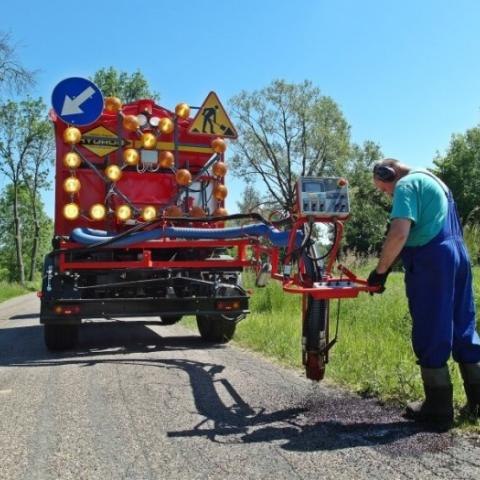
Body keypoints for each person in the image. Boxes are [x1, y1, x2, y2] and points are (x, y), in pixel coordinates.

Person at [367, 158, 480, 427]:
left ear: (387, 173)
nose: (388, 194)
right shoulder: (436, 181)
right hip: (459, 256)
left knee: (431, 326)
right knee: (463, 326)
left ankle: (438, 408)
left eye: (384, 188)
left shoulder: (406, 185)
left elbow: (399, 233)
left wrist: (381, 271)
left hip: (431, 259)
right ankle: (477, 402)